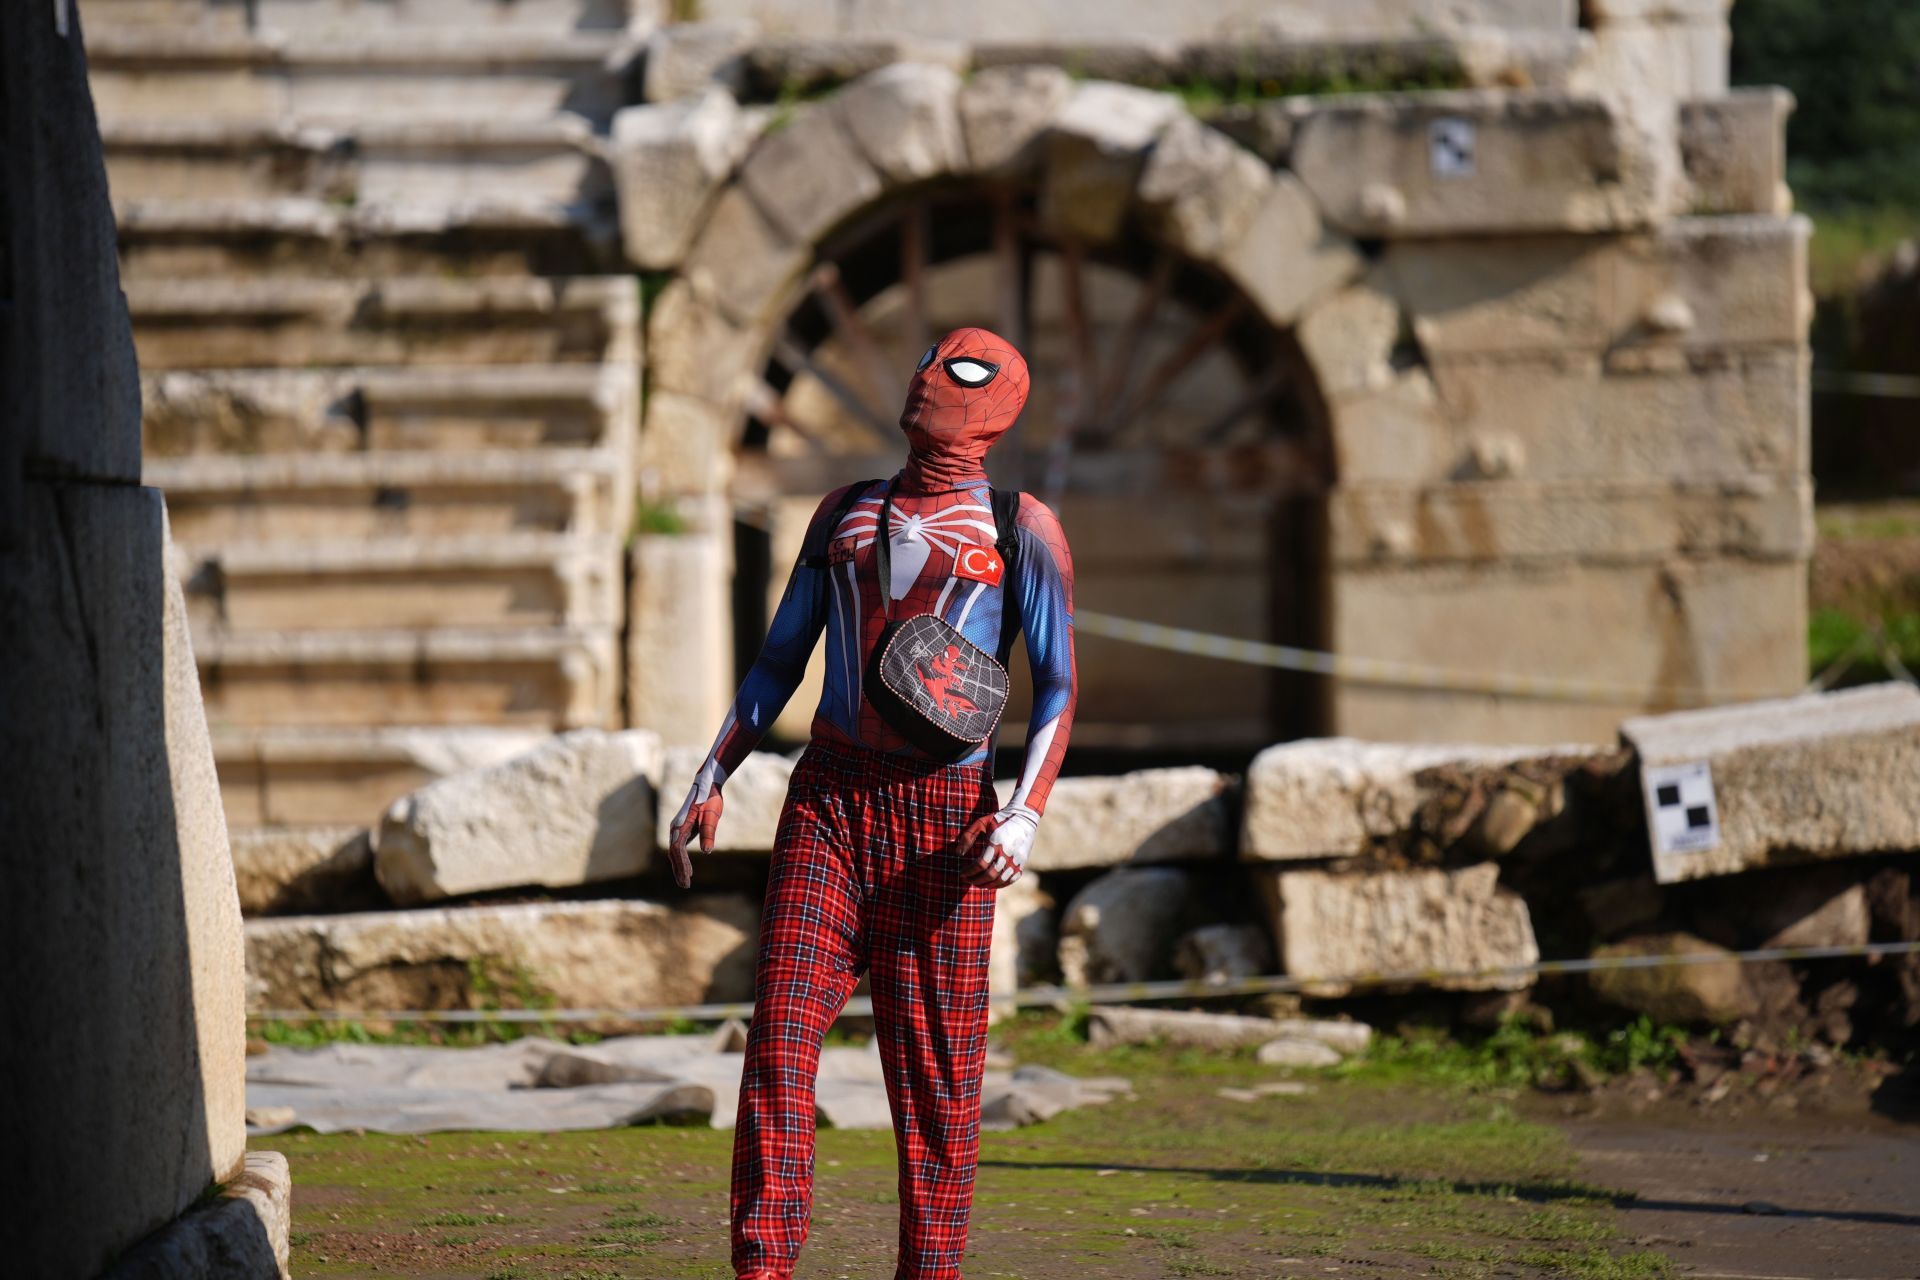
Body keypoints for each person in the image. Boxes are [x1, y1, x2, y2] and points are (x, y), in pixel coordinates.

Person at [666, 326, 1077, 1280]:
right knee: (778, 1031)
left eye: (962, 370)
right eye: (929, 360)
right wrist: (712, 772)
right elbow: (780, 658)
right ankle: (762, 1265)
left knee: (937, 1080)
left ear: (1000, 402)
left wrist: (1023, 812)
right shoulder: (842, 514)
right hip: (831, 801)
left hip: (947, 819)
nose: (928, 378)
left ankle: (930, 1271)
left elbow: (1057, 686)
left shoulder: (1024, 530)